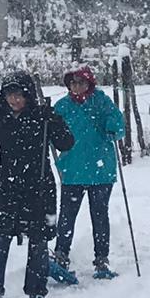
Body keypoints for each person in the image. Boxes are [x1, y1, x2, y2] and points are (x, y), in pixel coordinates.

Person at [0, 71, 75, 298]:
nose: (14, 100)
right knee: (0, 238)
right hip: (7, 187)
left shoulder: (42, 118)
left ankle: (36, 291)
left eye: (19, 95)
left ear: (28, 95)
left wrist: (53, 120)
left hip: (38, 185)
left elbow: (66, 143)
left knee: (38, 240)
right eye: (9, 95)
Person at [50, 64, 126, 283]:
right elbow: (52, 131)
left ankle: (101, 259)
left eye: (81, 82)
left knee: (99, 216)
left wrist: (113, 125)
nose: (76, 87)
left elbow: (119, 126)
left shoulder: (102, 102)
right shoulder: (62, 106)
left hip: (100, 171)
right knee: (66, 216)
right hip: (72, 169)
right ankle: (61, 255)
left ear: (89, 83)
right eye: (72, 83)